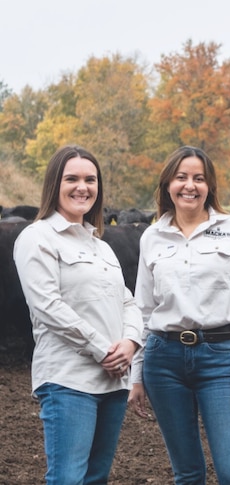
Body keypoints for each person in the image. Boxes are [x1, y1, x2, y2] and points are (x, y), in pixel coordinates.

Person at [128, 146, 230, 484]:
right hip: (164, 359)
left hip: (220, 357)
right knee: (187, 473)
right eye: (181, 177)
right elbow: (143, 309)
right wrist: (136, 375)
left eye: (199, 179)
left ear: (210, 186)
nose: (190, 186)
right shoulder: (151, 237)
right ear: (168, 185)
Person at [13, 145, 143, 484]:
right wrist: (104, 350)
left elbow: (127, 301)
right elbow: (48, 306)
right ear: (54, 184)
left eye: (90, 179)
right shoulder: (37, 238)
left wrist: (130, 343)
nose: (81, 187)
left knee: (96, 477)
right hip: (68, 380)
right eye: (71, 179)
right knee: (68, 478)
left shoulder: (101, 246)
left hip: (112, 380)